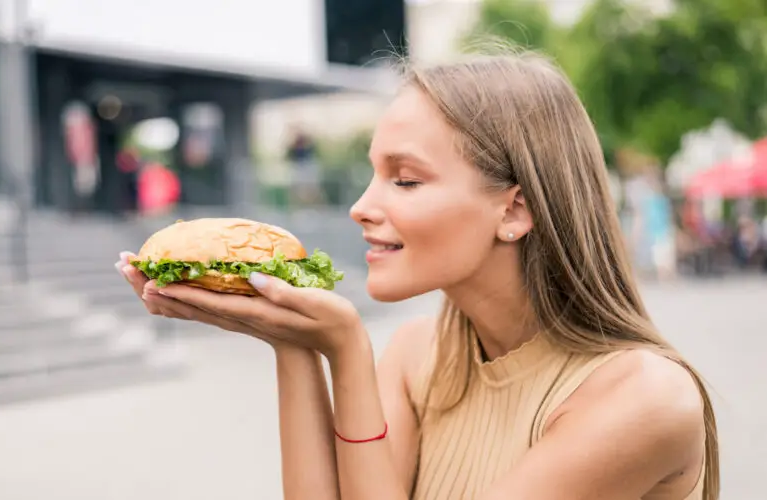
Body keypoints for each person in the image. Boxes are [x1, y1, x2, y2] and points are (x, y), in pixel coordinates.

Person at [115, 52, 718, 500]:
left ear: (513, 210)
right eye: (373, 174)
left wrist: (347, 351)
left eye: (404, 179)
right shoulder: (417, 356)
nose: (360, 206)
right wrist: (294, 345)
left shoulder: (642, 398)